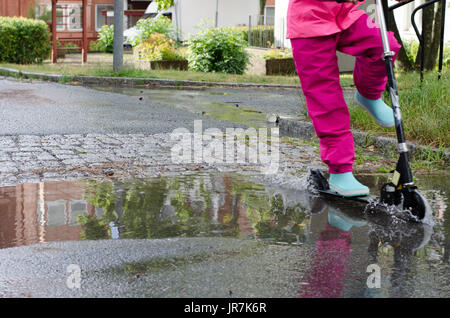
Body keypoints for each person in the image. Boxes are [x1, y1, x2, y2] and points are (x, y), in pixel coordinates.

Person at [288, 0, 407, 197]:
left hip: (346, 11)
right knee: (326, 99)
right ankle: (340, 171)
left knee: (384, 45)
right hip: (309, 20)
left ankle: (369, 95)